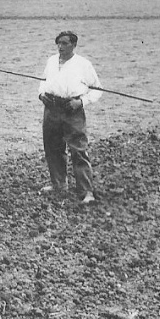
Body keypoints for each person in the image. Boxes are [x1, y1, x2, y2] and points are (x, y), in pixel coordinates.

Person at [37, 31, 102, 203]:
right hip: (51, 107)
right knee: (53, 148)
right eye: (58, 43)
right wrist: (41, 95)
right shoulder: (51, 61)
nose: (61, 47)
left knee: (78, 150)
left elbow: (97, 89)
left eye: (65, 43)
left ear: (74, 45)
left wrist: (81, 102)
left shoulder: (83, 64)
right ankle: (58, 184)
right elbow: (43, 82)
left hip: (72, 110)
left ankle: (86, 191)